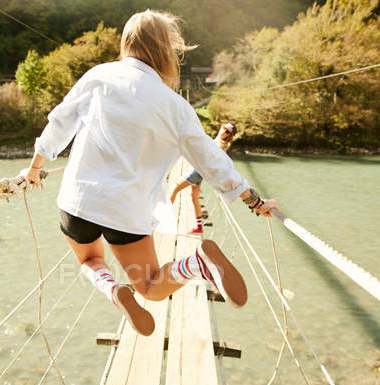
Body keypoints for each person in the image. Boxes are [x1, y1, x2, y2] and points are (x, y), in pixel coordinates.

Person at [25, 10, 279, 337]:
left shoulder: (99, 76)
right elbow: (211, 161)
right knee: (148, 286)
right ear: (166, 51)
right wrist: (253, 200)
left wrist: (35, 167)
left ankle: (113, 291)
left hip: (79, 201)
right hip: (128, 212)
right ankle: (196, 264)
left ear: (126, 43)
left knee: (89, 260)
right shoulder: (176, 107)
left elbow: (61, 123)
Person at [169, 122, 236, 233]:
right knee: (194, 198)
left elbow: (208, 158)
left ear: (229, 135)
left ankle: (162, 216)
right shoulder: (217, 141)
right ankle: (199, 227)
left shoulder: (220, 145)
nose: (224, 131)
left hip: (197, 171)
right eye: (224, 128)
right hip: (200, 172)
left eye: (227, 131)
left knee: (174, 188)